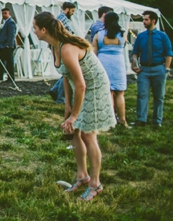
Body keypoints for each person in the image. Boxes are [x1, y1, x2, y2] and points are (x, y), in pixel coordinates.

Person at [33, 12, 116, 202]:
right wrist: (67, 106)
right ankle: (82, 176)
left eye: (35, 28)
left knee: (87, 134)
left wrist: (74, 115)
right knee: (74, 132)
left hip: (94, 87)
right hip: (79, 87)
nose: (34, 31)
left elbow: (81, 84)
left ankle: (96, 184)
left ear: (44, 30)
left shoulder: (67, 49)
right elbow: (66, 77)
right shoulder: (53, 46)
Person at [130, 10, 173, 128]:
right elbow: (135, 53)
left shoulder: (163, 36)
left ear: (153, 21)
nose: (143, 21)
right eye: (143, 19)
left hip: (159, 68)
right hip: (144, 70)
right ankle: (141, 119)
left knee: (159, 96)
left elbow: (169, 53)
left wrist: (166, 69)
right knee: (142, 95)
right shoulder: (140, 36)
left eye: (146, 19)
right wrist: (134, 64)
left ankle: (157, 120)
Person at [92, 12, 129, 128]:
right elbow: (124, 45)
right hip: (118, 63)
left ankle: (111, 119)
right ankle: (123, 120)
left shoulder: (99, 35)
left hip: (104, 62)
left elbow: (94, 52)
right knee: (120, 92)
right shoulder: (122, 34)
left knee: (108, 92)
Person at [0, 8, 17, 81]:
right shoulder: (5, 22)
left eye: (5, 13)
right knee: (0, 60)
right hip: (3, 45)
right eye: (3, 13)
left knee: (9, 62)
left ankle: (11, 77)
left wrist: (9, 44)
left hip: (7, 45)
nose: (4, 15)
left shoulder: (11, 22)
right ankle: (0, 75)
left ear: (9, 14)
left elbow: (12, 34)